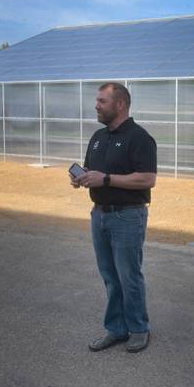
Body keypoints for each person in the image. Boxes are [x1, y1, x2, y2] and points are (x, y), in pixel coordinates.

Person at [70, 82, 157, 353]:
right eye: (97, 101)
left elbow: (147, 178)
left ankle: (139, 329)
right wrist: (82, 176)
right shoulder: (98, 137)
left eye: (102, 101)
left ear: (120, 104)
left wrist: (105, 179)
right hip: (100, 216)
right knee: (109, 275)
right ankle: (116, 329)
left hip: (127, 216)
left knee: (128, 276)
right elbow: (92, 170)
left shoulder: (140, 138)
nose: (96, 105)